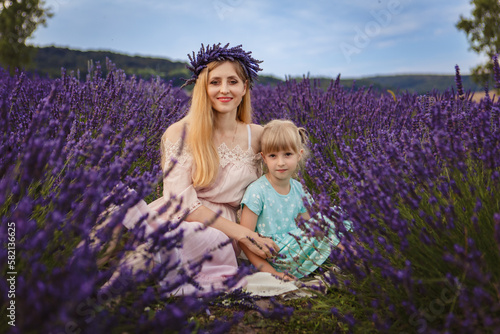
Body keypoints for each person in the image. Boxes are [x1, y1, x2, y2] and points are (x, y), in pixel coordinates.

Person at [142, 43, 279, 295]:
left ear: (245, 87)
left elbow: (280, 183)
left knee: (173, 247)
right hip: (180, 216)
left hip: (225, 229)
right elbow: (181, 204)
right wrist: (242, 234)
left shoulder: (258, 135)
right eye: (215, 82)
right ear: (203, 88)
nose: (224, 90)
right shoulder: (180, 132)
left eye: (233, 81)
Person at [239, 120, 348, 281]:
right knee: (328, 218)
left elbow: (311, 228)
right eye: (273, 156)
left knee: (337, 214)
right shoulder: (257, 191)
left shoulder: (299, 189)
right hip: (275, 256)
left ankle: (347, 258)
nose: (281, 162)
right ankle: (349, 258)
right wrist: (273, 274)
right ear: (264, 158)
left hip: (297, 255)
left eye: (287, 154)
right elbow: (245, 240)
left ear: (299, 155)